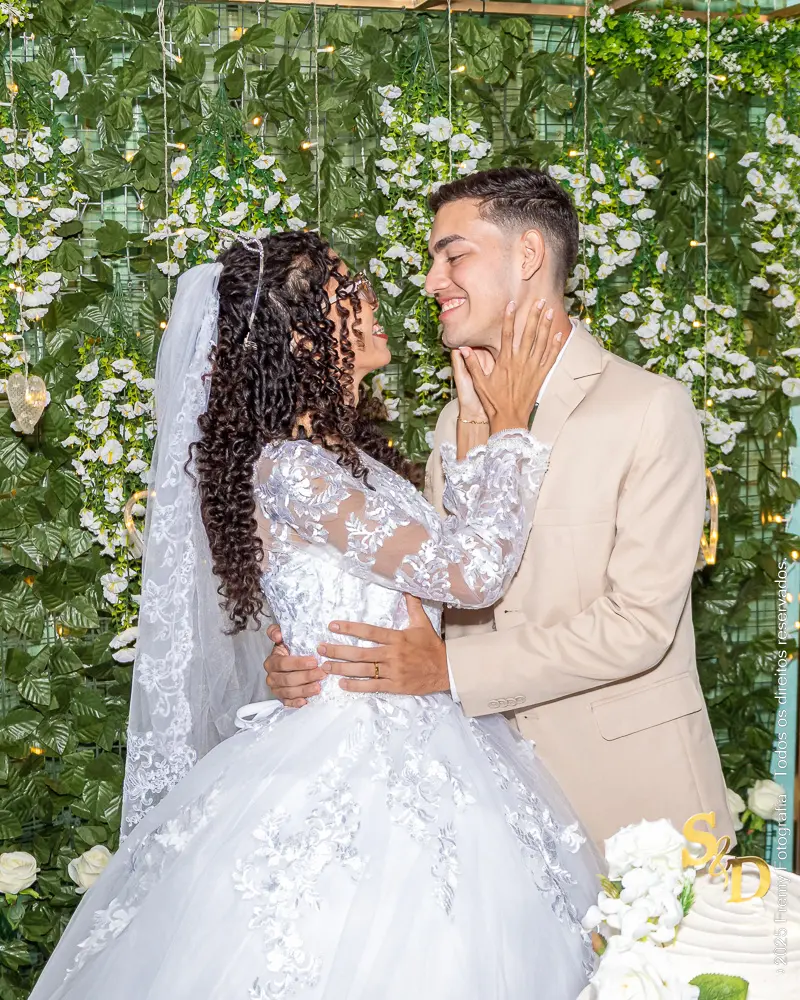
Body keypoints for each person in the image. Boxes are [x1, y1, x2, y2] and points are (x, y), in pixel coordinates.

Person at [28, 231, 599, 1000]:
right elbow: (469, 575)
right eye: (347, 294)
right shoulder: (292, 468)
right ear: (301, 335)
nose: (372, 299)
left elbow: (435, 565)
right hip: (352, 751)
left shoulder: (346, 460)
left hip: (427, 727)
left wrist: (475, 429)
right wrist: (512, 430)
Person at [263, 167, 735, 849]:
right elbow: (428, 591)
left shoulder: (646, 409)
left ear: (528, 255)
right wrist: (310, 661)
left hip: (631, 802)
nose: (432, 281)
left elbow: (637, 625)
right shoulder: (453, 421)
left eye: (452, 255)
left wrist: (451, 671)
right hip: (482, 807)